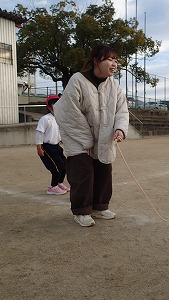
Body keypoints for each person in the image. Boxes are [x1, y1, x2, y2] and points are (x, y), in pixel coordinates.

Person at [54, 44, 129, 227]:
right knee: (83, 173)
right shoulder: (77, 80)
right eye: (109, 59)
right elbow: (69, 113)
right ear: (96, 61)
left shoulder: (115, 86)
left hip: (103, 136)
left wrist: (119, 129)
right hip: (78, 139)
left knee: (104, 171)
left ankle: (100, 206)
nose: (114, 64)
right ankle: (81, 211)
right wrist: (85, 141)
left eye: (115, 60)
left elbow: (122, 110)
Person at [36, 94, 69, 195]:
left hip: (57, 146)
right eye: (54, 104)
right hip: (47, 147)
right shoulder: (45, 119)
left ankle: (59, 183)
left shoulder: (60, 118)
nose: (56, 106)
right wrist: (39, 148)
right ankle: (53, 187)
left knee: (65, 165)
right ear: (49, 107)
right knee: (57, 167)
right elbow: (39, 133)